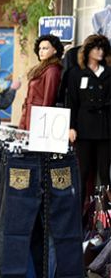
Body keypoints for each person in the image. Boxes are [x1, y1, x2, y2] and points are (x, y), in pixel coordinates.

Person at [66, 34, 111, 204]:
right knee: (82, 172)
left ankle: (106, 218)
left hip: (105, 129)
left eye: (103, 49)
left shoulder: (108, 72)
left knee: (105, 173)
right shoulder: (76, 73)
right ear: (88, 51)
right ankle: (78, 216)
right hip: (83, 128)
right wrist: (71, 127)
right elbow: (72, 102)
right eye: (96, 48)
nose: (100, 52)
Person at [18, 34, 64, 130]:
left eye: (45, 48)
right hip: (30, 113)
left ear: (55, 50)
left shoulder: (52, 70)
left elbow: (49, 99)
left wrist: (42, 122)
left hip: (39, 116)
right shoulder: (41, 68)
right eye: (40, 48)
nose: (41, 51)